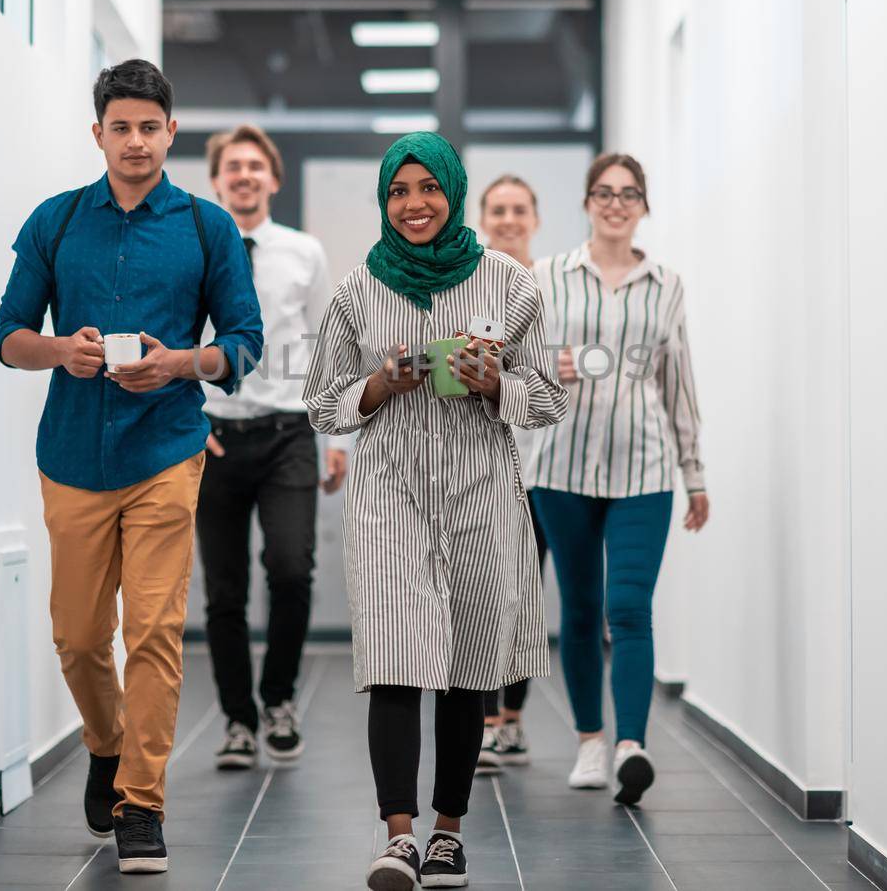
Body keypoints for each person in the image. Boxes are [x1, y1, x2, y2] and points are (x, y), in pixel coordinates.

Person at [0, 60, 264, 875]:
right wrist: (58, 350)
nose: (136, 140)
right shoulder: (57, 220)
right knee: (77, 637)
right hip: (72, 455)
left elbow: (243, 342)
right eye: (121, 127)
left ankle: (141, 802)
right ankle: (106, 746)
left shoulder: (207, 227)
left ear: (170, 132)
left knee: (151, 631)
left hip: (165, 451)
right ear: (98, 133)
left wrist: (180, 363)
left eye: (150, 126)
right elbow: (7, 334)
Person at [302, 133, 567, 891]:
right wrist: (379, 387)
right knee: (394, 654)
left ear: (453, 191)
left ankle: (449, 832)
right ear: (384, 200)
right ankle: (399, 836)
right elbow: (321, 403)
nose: (414, 203)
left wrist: (493, 385)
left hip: (482, 490)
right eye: (398, 191)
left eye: (428, 188)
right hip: (391, 491)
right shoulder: (357, 289)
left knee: (465, 663)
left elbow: (547, 397)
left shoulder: (510, 283)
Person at [525, 152, 711, 808]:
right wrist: (552, 364)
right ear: (586, 201)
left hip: (645, 467)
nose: (615, 203)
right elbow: (513, 364)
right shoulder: (546, 277)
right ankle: (590, 741)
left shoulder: (667, 285)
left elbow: (678, 383)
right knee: (578, 610)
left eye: (629, 193)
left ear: (643, 206)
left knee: (628, 608)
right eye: (604, 192)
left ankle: (632, 745)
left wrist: (695, 474)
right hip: (560, 465)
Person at [195, 123, 350, 770]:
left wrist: (336, 434)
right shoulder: (193, 243)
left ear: (273, 178)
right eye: (233, 166)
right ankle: (237, 719)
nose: (245, 175)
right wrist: (187, 419)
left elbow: (326, 342)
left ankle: (278, 698)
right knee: (224, 589)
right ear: (217, 179)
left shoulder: (303, 251)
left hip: (289, 431)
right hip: (214, 436)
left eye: (256, 166)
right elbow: (170, 333)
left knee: (290, 568)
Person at [472, 175, 549, 774]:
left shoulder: (550, 287)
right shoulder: (472, 286)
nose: (508, 219)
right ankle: (486, 717)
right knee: (483, 588)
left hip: (543, 461)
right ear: (482, 216)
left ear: (535, 219)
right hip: (480, 461)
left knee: (526, 589)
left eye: (518, 210)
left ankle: (512, 718)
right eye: (497, 210)